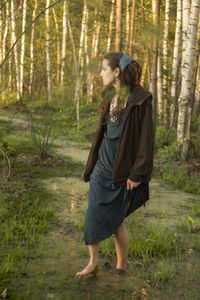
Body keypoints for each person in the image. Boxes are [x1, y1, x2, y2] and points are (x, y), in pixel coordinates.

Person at [76, 52, 154, 277]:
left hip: (121, 171)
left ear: (117, 71)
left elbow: (145, 141)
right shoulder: (109, 95)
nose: (100, 73)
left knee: (118, 221)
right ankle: (92, 263)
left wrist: (137, 173)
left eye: (104, 69)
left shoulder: (140, 100)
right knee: (92, 215)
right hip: (102, 166)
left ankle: (121, 268)